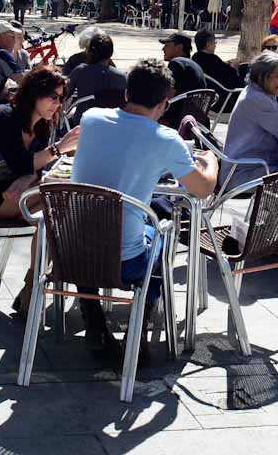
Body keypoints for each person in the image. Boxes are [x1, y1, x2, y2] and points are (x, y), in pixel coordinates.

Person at [67, 60, 218, 358]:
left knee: (92, 228)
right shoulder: (166, 139)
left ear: (126, 93)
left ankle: (95, 319)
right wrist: (211, 162)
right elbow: (202, 189)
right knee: (162, 236)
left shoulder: (91, 118)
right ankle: (140, 326)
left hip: (71, 254)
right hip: (126, 264)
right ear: (164, 103)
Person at [0, 66, 80, 312]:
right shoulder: (5, 118)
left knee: (53, 216)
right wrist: (58, 149)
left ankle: (32, 289)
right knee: (60, 196)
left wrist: (28, 176)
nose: (57, 103)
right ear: (34, 94)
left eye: (61, 98)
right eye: (53, 96)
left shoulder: (41, 126)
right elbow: (23, 163)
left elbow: (31, 169)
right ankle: (41, 287)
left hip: (15, 195)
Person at [224, 51, 278, 184]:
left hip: (248, 167)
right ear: (261, 76)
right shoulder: (258, 99)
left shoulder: (256, 93)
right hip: (244, 174)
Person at [67, 32, 128, 110]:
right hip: (112, 121)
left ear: (89, 52)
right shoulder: (123, 77)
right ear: (111, 53)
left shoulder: (79, 71)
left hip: (82, 120)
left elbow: (66, 94)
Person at [161, 29, 221, 100]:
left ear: (179, 47)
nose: (163, 49)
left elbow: (169, 94)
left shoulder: (177, 64)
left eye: (167, 45)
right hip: (195, 108)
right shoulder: (189, 64)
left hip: (180, 109)